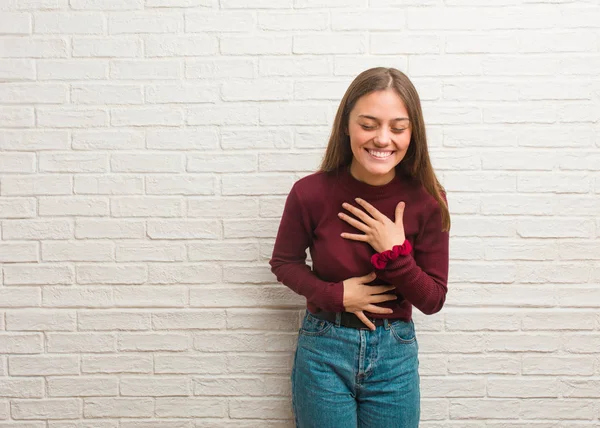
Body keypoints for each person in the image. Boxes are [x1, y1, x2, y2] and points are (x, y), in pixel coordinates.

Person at [269, 67, 450, 428]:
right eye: (368, 125)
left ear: (412, 134)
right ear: (346, 126)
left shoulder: (428, 199)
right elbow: (284, 262)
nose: (383, 139)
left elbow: (432, 299)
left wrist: (396, 255)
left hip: (394, 356)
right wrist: (335, 296)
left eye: (398, 128)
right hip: (323, 351)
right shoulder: (309, 193)